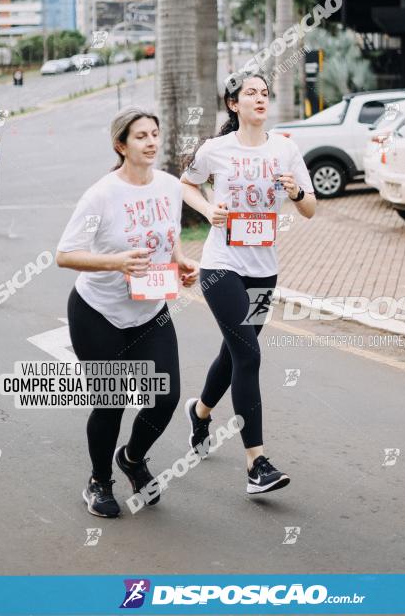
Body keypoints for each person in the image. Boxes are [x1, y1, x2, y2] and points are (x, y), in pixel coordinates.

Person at [56, 107, 199, 518]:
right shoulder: (101, 194)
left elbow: (166, 237)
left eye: (155, 133)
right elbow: (65, 255)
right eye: (141, 136)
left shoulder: (170, 187)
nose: (152, 142)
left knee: (166, 396)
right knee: (111, 400)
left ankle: (133, 458)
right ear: (121, 145)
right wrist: (116, 262)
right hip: (98, 312)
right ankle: (99, 481)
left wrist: (181, 261)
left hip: (150, 307)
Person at [180, 73, 316, 495]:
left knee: (234, 352)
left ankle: (200, 413)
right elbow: (186, 183)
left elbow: (311, 209)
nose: (260, 98)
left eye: (264, 93)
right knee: (249, 355)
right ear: (234, 104)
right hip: (221, 266)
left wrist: (295, 193)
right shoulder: (215, 150)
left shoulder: (286, 149)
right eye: (250, 93)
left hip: (264, 269)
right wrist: (207, 210)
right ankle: (257, 463)